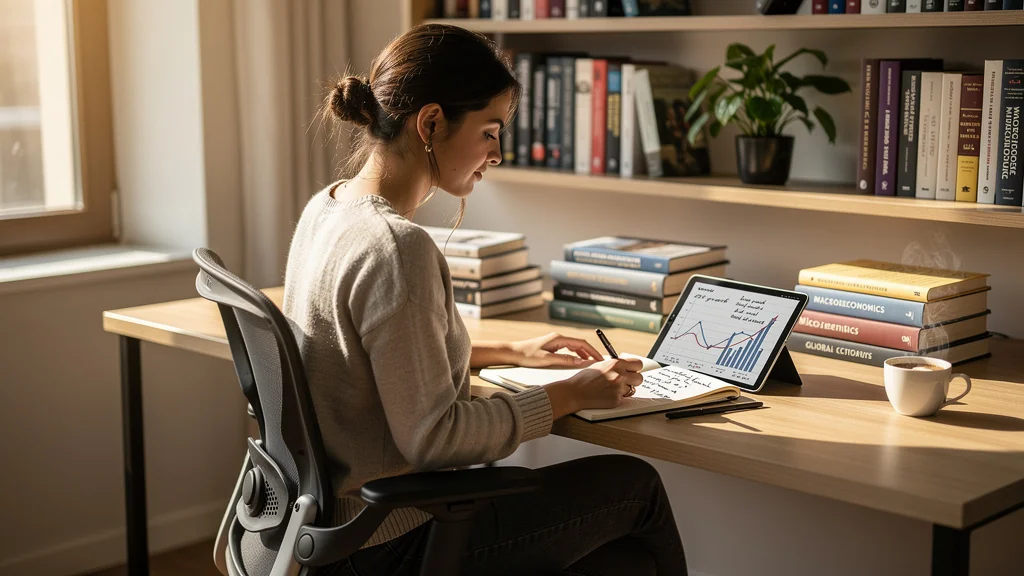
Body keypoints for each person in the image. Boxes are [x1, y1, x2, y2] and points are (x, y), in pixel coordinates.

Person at [283, 23, 687, 576]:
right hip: (393, 541)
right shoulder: (398, 248)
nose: (497, 153)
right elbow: (434, 437)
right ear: (431, 122)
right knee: (636, 488)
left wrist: (511, 352)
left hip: (328, 532)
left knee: (626, 562)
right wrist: (570, 393)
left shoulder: (326, 208)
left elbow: (375, 357)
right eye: (490, 131)